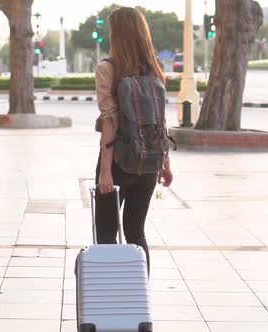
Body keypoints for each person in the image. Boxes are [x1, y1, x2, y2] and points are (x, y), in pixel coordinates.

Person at [94, 7, 173, 273]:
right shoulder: (154, 71)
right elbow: (159, 121)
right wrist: (165, 163)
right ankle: (140, 300)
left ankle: (109, 302)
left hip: (118, 163)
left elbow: (110, 120)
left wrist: (105, 171)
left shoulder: (108, 69)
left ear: (118, 34)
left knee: (106, 234)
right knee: (136, 233)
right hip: (149, 164)